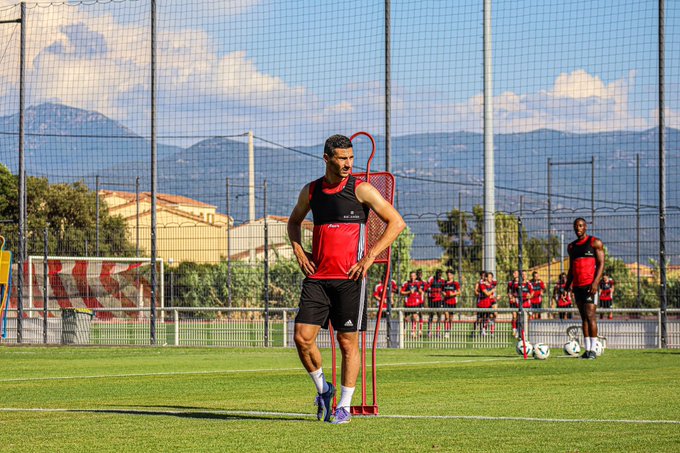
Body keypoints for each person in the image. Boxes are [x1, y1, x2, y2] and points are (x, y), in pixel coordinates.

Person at [288, 134, 405, 424]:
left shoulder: (361, 189)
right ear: (326, 158)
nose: (348, 164)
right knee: (302, 338)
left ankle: (344, 406)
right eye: (342, 158)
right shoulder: (312, 191)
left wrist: (369, 258)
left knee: (346, 342)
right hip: (317, 278)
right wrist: (299, 251)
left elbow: (397, 222)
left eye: (351, 158)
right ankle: (323, 390)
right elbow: (293, 222)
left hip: (350, 279)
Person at [565, 217, 605, 360]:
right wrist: (566, 286)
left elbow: (601, 264)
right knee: (583, 318)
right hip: (577, 286)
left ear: (585, 227)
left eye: (581, 226)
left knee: (590, 316)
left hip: (590, 286)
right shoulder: (571, 247)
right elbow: (571, 268)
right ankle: (587, 350)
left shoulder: (595, 242)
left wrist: (595, 283)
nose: (578, 228)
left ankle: (594, 349)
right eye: (576, 226)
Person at [401, 271, 425, 337]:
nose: (412, 277)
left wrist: (421, 297)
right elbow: (402, 292)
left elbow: (421, 291)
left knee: (414, 317)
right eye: (411, 276)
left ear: (415, 276)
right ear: (409, 276)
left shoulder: (417, 283)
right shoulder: (406, 284)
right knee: (406, 318)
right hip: (408, 303)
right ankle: (404, 330)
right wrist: (409, 292)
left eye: (413, 276)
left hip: (416, 303)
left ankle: (413, 332)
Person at [426, 269, 446, 337]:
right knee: (431, 315)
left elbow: (444, 289)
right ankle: (429, 331)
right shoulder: (431, 279)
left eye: (440, 274)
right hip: (432, 299)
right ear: (436, 274)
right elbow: (427, 288)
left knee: (439, 315)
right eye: (438, 274)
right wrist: (432, 291)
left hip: (439, 300)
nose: (439, 276)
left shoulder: (442, 280)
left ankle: (438, 332)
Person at [442, 269, 461, 337]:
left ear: (453, 275)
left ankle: (449, 330)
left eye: (450, 274)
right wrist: (444, 294)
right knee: (446, 316)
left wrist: (452, 294)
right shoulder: (444, 283)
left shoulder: (455, 283)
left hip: (452, 302)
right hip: (445, 302)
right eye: (447, 274)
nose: (448, 276)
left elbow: (459, 292)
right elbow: (442, 291)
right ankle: (446, 331)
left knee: (450, 318)